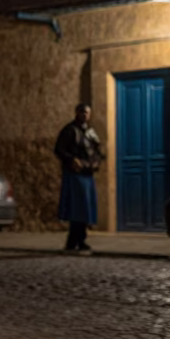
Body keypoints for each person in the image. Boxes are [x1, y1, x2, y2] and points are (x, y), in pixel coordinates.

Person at [54, 103, 104, 253]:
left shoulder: (90, 132)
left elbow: (97, 151)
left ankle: (79, 240)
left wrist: (97, 161)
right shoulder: (69, 130)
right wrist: (72, 160)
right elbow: (59, 150)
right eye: (82, 112)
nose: (85, 115)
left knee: (85, 209)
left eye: (87, 112)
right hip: (75, 175)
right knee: (77, 209)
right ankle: (74, 241)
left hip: (87, 174)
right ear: (77, 112)